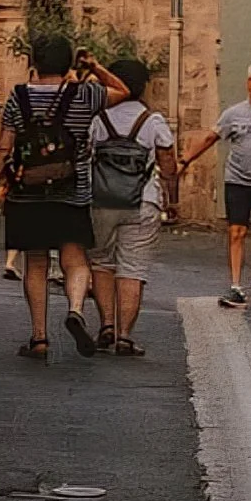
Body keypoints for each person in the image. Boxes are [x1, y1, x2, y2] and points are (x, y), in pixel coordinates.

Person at [0, 36, 128, 360]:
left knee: (35, 262)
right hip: (71, 192)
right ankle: (75, 309)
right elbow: (123, 91)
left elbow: (4, 146)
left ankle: (39, 338)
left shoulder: (19, 96)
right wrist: (95, 66)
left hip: (27, 193)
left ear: (34, 61)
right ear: (68, 63)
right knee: (75, 259)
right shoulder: (85, 94)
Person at [87, 59, 179, 355]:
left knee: (101, 262)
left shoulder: (98, 119)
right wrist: (172, 200)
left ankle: (106, 325)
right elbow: (168, 164)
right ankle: (125, 335)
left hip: (101, 199)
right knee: (133, 268)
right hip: (143, 201)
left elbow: (84, 155)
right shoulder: (153, 121)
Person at [179, 62, 251, 306]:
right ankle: (235, 285)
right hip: (238, 179)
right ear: (247, 84)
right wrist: (186, 160)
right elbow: (211, 137)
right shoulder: (234, 113)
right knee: (236, 231)